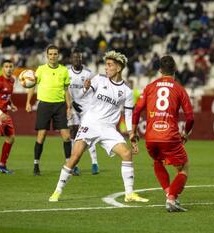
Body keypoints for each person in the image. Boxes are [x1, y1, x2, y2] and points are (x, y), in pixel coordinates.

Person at [48, 50, 148, 203]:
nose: (106, 68)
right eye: (105, 65)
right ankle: (57, 191)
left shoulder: (127, 91)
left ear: (119, 68)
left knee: (127, 154)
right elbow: (81, 97)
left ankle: (129, 194)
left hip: (108, 128)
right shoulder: (99, 80)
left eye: (109, 65)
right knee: (74, 158)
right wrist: (85, 88)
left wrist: (131, 133)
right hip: (90, 123)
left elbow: (128, 115)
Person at [131, 55, 194, 212]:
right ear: (175, 70)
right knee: (184, 167)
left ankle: (168, 194)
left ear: (159, 70)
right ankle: (171, 198)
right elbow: (190, 117)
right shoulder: (179, 89)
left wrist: (132, 131)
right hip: (170, 136)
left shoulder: (150, 87)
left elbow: (137, 110)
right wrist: (186, 133)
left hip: (151, 136)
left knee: (158, 161)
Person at [26, 45, 72, 176]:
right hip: (44, 105)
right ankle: (36, 165)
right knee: (42, 135)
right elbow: (31, 86)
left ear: (58, 55)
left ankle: (69, 166)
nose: (53, 56)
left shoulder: (63, 70)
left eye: (55, 54)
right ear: (47, 56)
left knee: (67, 136)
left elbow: (66, 90)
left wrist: (69, 106)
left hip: (60, 105)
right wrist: (28, 102)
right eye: (50, 54)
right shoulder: (40, 70)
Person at [67, 48, 99, 175]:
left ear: (82, 59)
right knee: (73, 134)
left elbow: (93, 89)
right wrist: (70, 104)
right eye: (75, 57)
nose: (77, 59)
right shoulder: (67, 72)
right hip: (73, 106)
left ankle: (95, 163)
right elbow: (66, 90)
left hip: (86, 106)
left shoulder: (88, 73)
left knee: (87, 133)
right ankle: (74, 165)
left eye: (79, 57)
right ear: (71, 59)